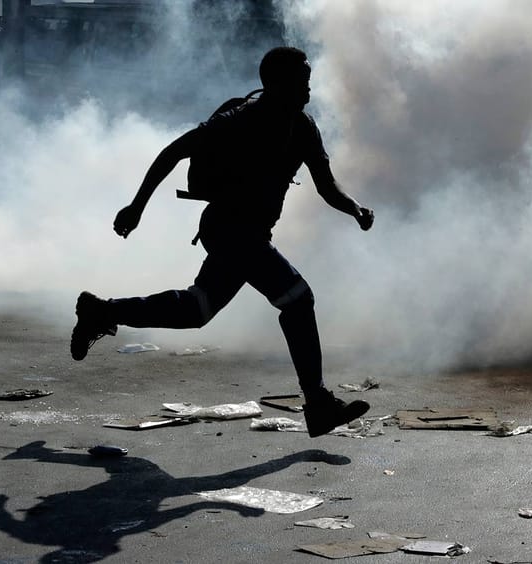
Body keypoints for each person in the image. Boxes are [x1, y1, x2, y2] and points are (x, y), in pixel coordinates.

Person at [70, 47, 375, 437]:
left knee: (196, 310)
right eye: (300, 81)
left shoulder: (303, 128)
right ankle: (317, 403)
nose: (308, 89)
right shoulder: (240, 119)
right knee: (298, 299)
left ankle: (101, 311)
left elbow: (326, 184)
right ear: (275, 83)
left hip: (251, 234)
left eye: (308, 80)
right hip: (229, 228)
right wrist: (137, 207)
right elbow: (174, 151)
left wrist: (354, 208)